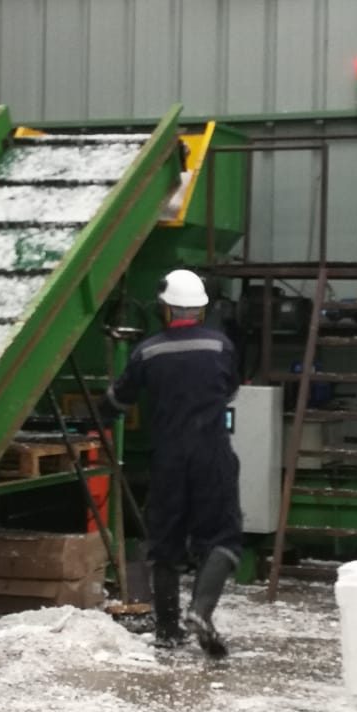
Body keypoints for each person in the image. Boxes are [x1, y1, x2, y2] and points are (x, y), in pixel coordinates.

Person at [101, 268, 241, 658]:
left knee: (165, 544)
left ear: (164, 309)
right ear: (201, 310)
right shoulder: (220, 346)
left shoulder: (148, 351)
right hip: (212, 453)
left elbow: (119, 401)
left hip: (168, 458)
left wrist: (99, 410)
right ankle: (201, 611)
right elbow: (230, 390)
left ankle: (167, 630)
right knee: (223, 537)